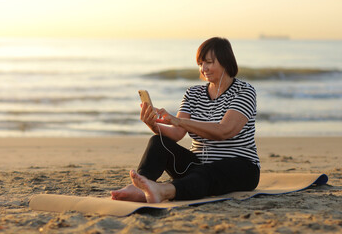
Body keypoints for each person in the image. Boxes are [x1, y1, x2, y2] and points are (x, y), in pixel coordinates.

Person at [111, 37, 260, 203]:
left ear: (225, 61)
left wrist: (180, 121)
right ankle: (143, 187)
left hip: (240, 168)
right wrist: (153, 124)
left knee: (207, 173)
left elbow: (224, 131)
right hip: (197, 166)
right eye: (200, 63)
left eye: (209, 62)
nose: (203, 69)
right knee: (158, 142)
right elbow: (176, 134)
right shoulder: (193, 93)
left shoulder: (244, 91)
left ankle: (163, 190)